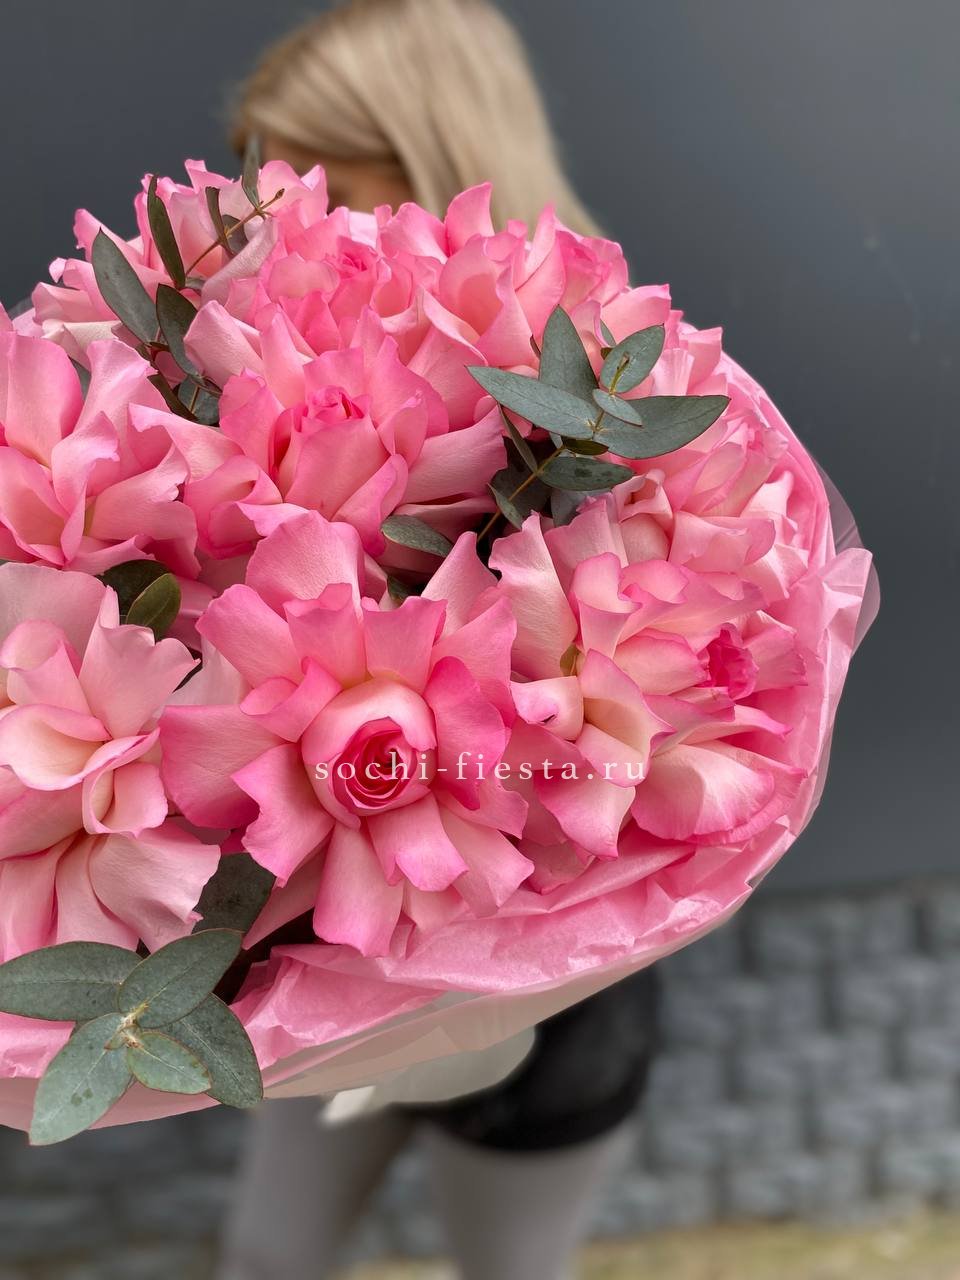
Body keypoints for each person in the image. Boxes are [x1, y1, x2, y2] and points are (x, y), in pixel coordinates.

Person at [218, 4, 659, 1277]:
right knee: (265, 1255)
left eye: (321, 181)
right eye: (267, 184)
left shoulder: (610, 395)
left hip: (556, 989)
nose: (288, 220)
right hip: (334, 967)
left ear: (433, 157)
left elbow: (628, 738)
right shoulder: (274, 356)